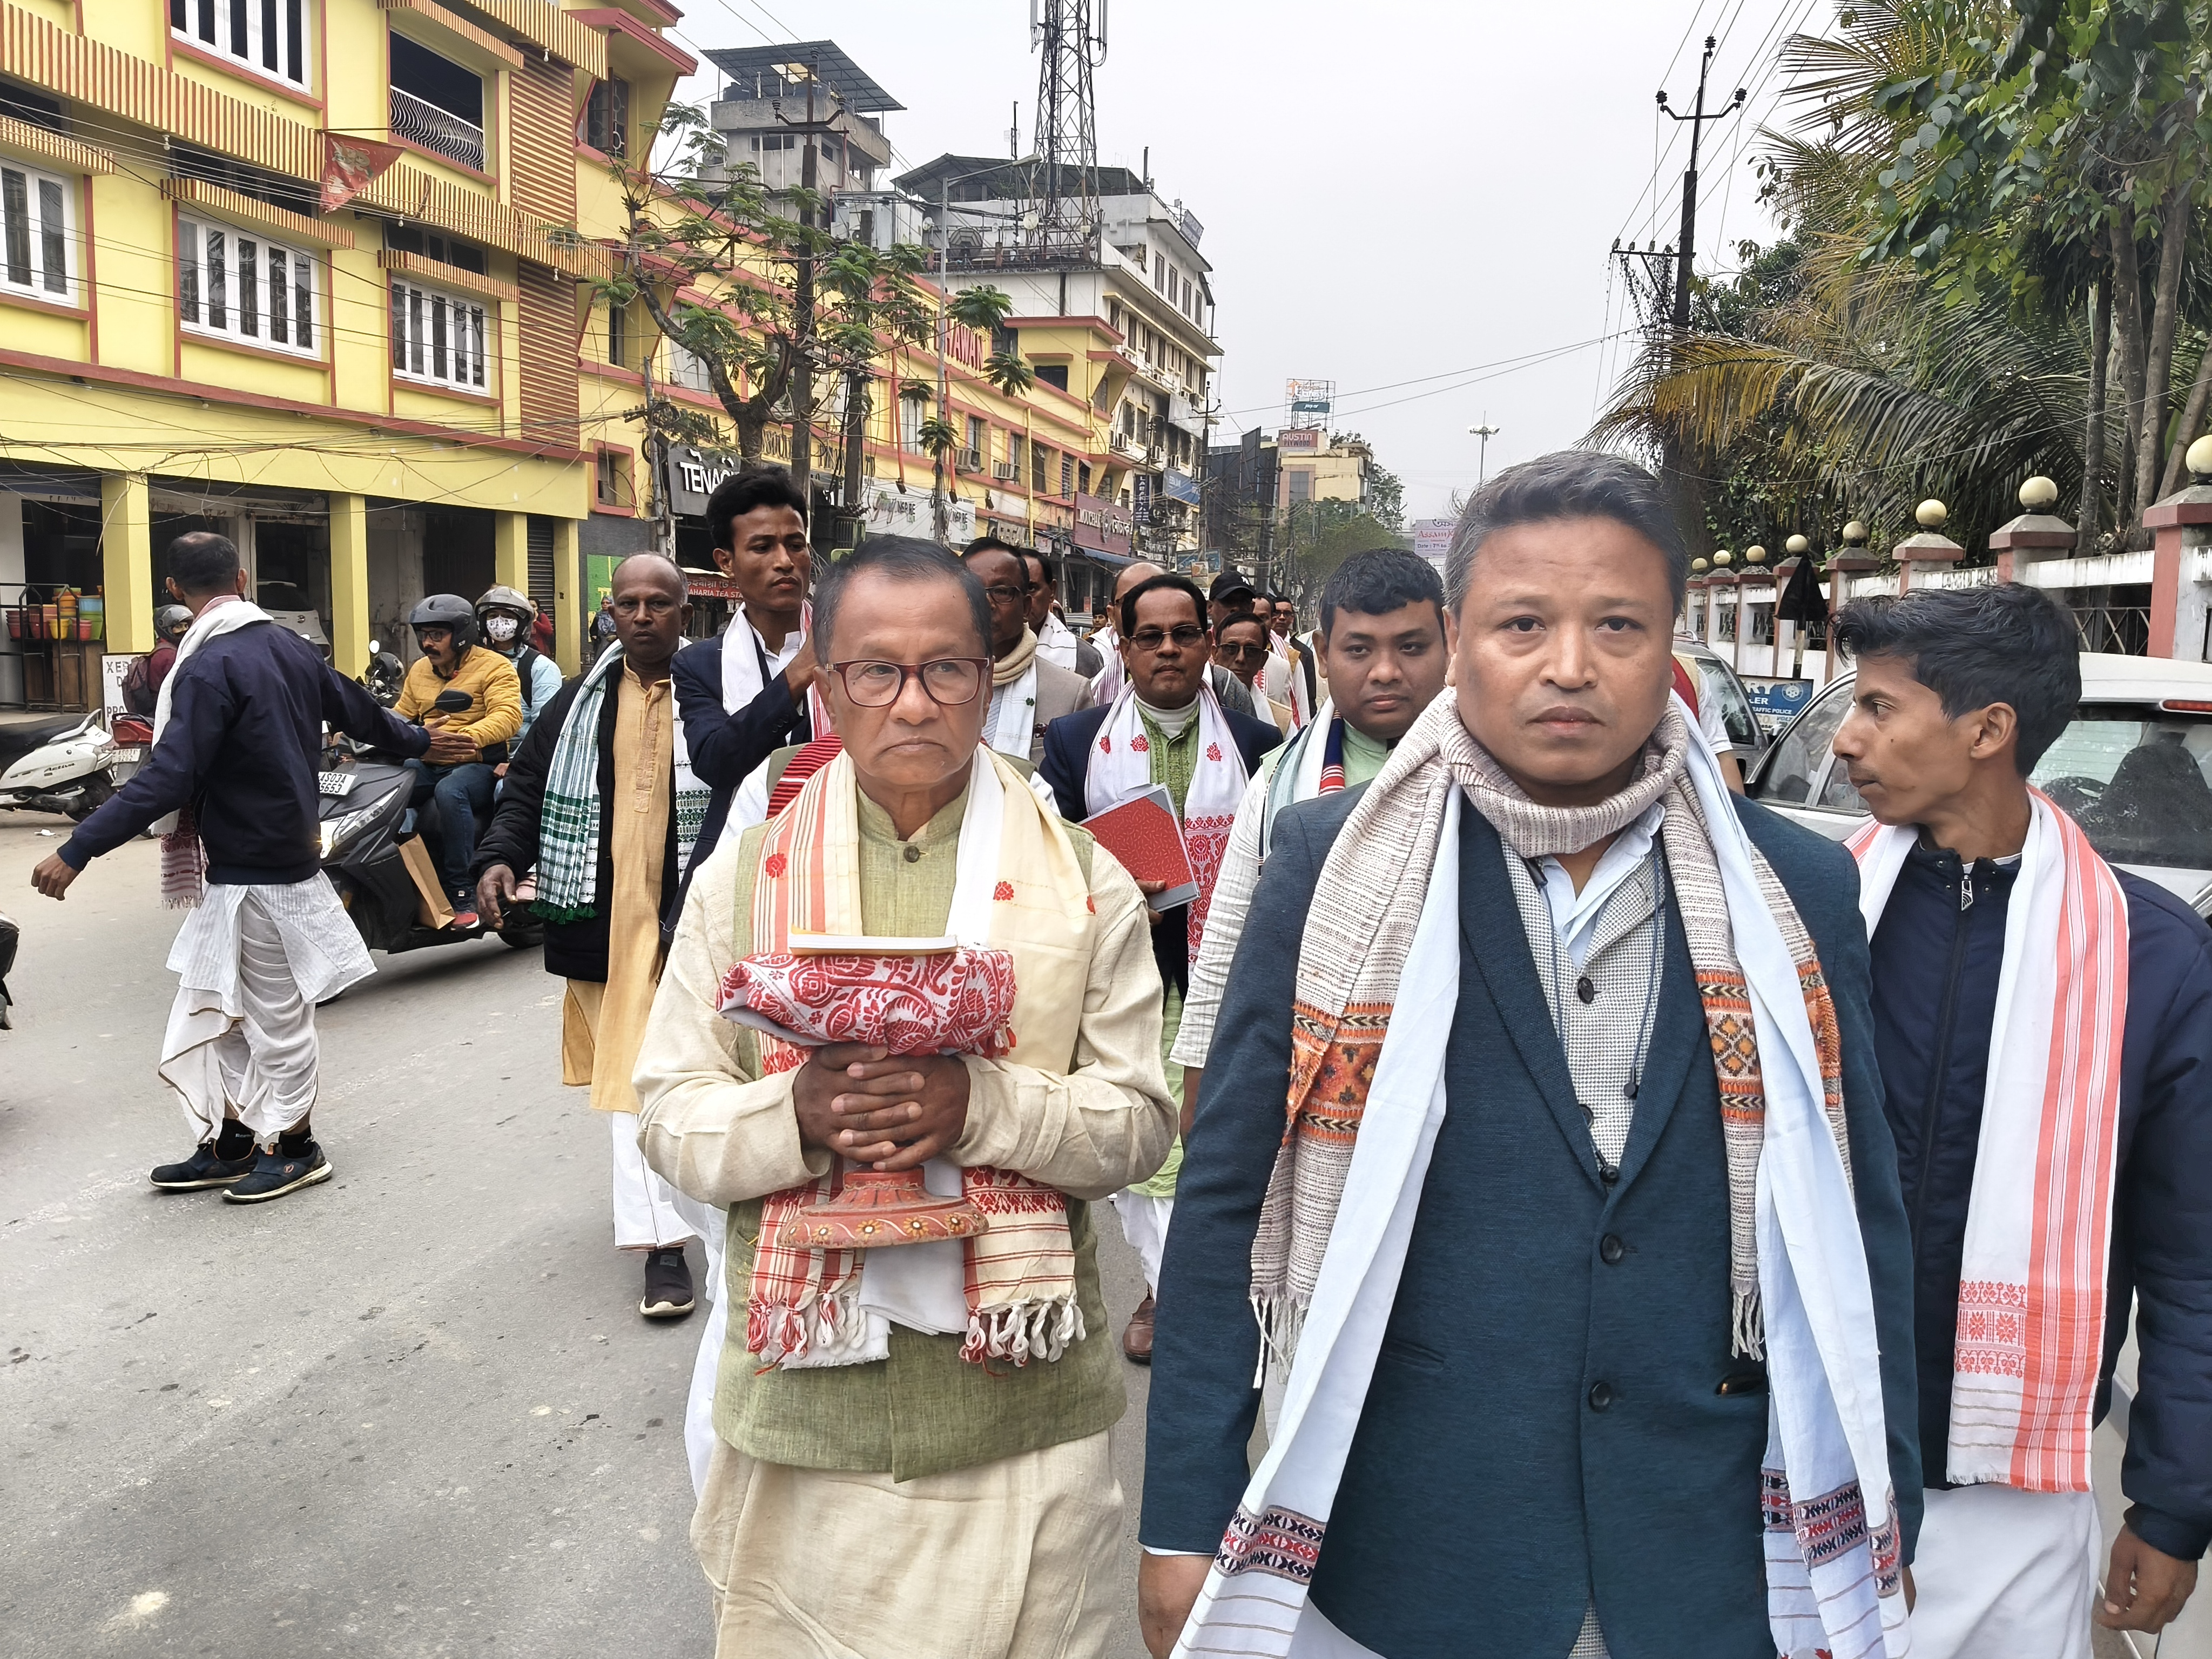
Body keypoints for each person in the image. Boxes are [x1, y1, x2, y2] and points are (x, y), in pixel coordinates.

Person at [1138, 453, 1920, 1659]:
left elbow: (1861, 1217)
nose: (1569, 665)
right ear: (1458, 640)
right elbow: (1228, 1196)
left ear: (1669, 641)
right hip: (1416, 1541)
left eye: (1617, 625)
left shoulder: (1793, 889)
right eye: (1522, 624)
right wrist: (1181, 1519)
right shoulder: (1329, 870)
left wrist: (1886, 1491)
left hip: (1702, 1553)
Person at [632, 534, 1177, 1657]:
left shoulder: (1085, 881)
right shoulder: (746, 878)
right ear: (826, 686)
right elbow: (669, 1114)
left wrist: (977, 1107)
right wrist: (795, 1115)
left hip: (1022, 1411)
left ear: (991, 674)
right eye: (876, 670)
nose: (914, 701)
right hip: (804, 1410)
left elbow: (1137, 1123)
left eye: (946, 669)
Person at [1827, 584, 2212, 1657]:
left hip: (2016, 1503)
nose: (1847, 739)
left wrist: (2172, 1504)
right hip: (1802, 1460)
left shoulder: (2151, 956)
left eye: (1878, 707)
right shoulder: (1808, 914)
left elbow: (2190, 1256)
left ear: (1987, 730)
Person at [30, 532, 468, 1201]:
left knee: (274, 1019)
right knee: (218, 1008)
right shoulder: (289, 647)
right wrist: (417, 739)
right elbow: (360, 711)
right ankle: (234, 1140)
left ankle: (296, 1146)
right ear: (241, 578)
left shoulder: (207, 665)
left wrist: (77, 847)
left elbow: (171, 777)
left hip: (264, 867)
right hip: (243, 863)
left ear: (174, 590)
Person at [1122, 551, 1449, 1369]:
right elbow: (1227, 945)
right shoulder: (1281, 784)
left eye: (1411, 647)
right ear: (1320, 655)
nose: (1385, 671)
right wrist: (1202, 1093)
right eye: (1359, 649)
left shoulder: (1494, 775)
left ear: (1449, 643)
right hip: (1312, 1079)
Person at [1040, 571, 1283, 1366]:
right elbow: (1049, 856)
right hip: (1122, 969)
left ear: (1210, 643)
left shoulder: (1254, 745)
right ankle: (1159, 1280)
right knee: (1135, 1131)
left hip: (1224, 968)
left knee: (1210, 1134)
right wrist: (1109, 896)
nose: (1169, 650)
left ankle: (1186, 1283)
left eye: (1185, 634)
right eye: (1151, 636)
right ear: (1123, 643)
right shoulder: (1078, 742)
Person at [475, 555, 713, 1321]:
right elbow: (525, 790)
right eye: (627, 604)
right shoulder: (577, 703)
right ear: (609, 613)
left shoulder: (715, 693)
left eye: (658, 603)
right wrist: (500, 857)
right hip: (608, 925)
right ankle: (661, 1246)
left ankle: (724, 1218)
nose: (641, 616)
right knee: (632, 1079)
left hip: (700, 921)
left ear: (684, 613)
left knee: (708, 1073)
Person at [671, 468, 827, 877]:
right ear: (726, 562)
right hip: (741, 855)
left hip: (835, 847)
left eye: (796, 545)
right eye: (762, 547)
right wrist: (797, 674)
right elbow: (716, 762)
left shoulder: (852, 648)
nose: (785, 562)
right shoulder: (699, 664)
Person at [394, 592, 522, 926]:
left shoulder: (495, 666)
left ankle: (463, 888)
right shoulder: (420, 670)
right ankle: (404, 879)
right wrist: (368, 731)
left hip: (476, 765)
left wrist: (462, 739)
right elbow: (403, 713)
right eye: (423, 635)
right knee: (391, 785)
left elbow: (508, 716)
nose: (428, 643)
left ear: (462, 634)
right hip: (428, 762)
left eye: (437, 635)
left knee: (451, 791)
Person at [962, 536, 1095, 765]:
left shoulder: (1070, 694)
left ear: (1025, 607)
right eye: (973, 591)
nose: (987, 604)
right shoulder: (928, 684)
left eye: (1001, 592)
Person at [476, 585, 563, 752]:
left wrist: (517, 762)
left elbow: (544, 729)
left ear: (522, 623)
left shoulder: (541, 667)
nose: (499, 622)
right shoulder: (473, 664)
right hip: (475, 751)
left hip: (517, 756)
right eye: (493, 616)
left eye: (508, 616)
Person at [1088, 558, 1164, 707]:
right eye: (1130, 601)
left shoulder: (1211, 682)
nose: (1144, 609)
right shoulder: (1090, 697)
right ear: (1112, 616)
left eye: (1156, 599)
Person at [1216, 611, 1294, 733]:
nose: (1241, 658)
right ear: (1215, 653)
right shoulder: (1193, 707)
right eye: (1231, 648)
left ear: (1263, 660)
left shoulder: (1282, 722)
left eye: (1251, 651)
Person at [120, 604, 192, 716]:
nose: (185, 630)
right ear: (167, 629)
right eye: (179, 627)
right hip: (168, 713)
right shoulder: (168, 654)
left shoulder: (163, 650)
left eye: (186, 626)